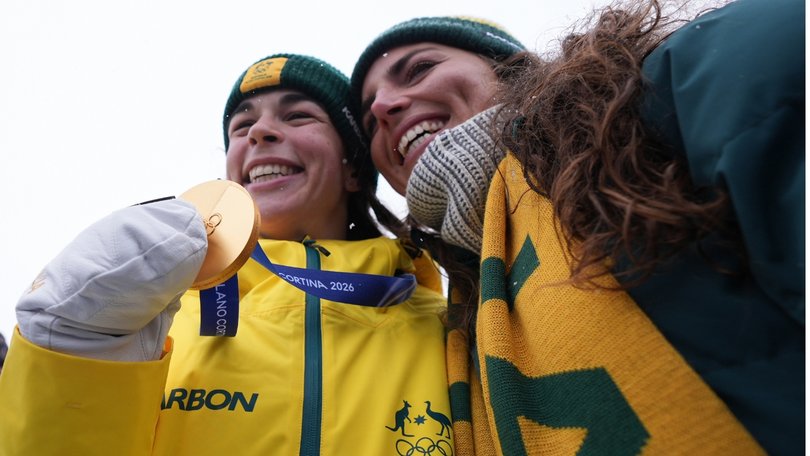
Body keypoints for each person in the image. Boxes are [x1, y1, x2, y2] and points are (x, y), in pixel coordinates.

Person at [351, 1, 803, 454]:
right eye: (370, 118)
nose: (387, 105)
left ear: (512, 72)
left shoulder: (665, 94)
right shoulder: (457, 315)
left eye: (420, 69)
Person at [0, 53, 453, 455]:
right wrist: (70, 364)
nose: (259, 132)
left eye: (297, 116)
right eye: (242, 126)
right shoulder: (145, 318)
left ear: (354, 168)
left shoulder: (450, 325)